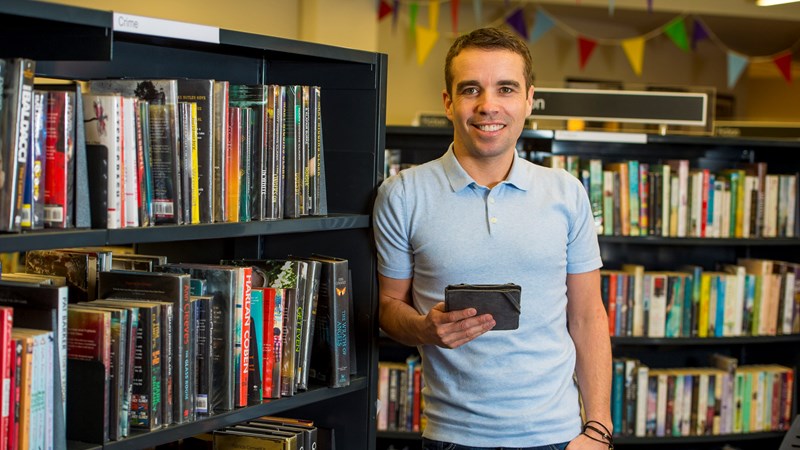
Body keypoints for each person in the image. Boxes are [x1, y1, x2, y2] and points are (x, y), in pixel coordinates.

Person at [373, 27, 613, 450]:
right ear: (448, 102)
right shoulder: (402, 194)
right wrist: (424, 329)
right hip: (451, 439)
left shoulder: (566, 191)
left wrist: (598, 430)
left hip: (558, 437)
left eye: (506, 88)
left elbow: (588, 315)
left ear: (528, 100)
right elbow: (388, 307)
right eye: (471, 89)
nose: (489, 106)